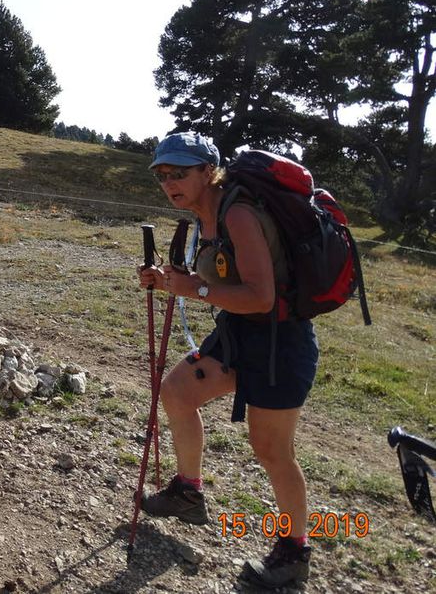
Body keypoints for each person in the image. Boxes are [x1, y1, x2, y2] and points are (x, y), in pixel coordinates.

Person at [136, 132, 318, 590]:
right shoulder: (206, 217)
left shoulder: (237, 213)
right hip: (239, 333)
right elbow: (216, 278)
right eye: (162, 174)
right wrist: (169, 279)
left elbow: (260, 296)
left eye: (179, 172)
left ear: (207, 171)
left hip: (280, 342)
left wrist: (190, 289)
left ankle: (295, 551)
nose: (169, 182)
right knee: (178, 390)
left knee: (272, 450)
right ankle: (189, 493)